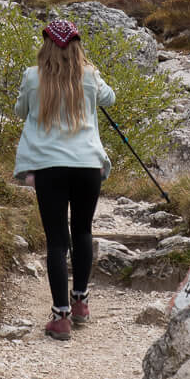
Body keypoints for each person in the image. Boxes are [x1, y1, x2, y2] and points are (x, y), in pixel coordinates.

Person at [14, 18, 115, 339]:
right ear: (76, 47)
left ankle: (61, 317)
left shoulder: (32, 78)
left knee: (57, 240)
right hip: (88, 165)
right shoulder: (89, 77)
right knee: (82, 229)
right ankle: (81, 301)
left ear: (45, 45)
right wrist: (92, 72)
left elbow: (20, 111)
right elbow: (109, 99)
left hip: (49, 167)